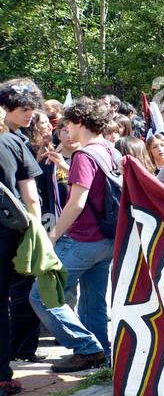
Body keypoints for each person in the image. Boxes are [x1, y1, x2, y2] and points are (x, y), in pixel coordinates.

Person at [30, 96, 118, 373]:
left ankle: (86, 348)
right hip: (107, 239)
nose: (65, 130)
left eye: (67, 124)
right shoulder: (109, 150)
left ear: (80, 122)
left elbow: (77, 203)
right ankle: (101, 354)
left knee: (42, 295)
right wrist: (66, 168)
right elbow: (96, 188)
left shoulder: (83, 154)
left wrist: (53, 235)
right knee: (94, 302)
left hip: (83, 240)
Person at [0, 80, 47, 393]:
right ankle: (2, 374)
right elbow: (31, 198)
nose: (30, 114)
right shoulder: (14, 143)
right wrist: (40, 233)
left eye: (32, 109)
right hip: (7, 233)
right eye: (24, 109)